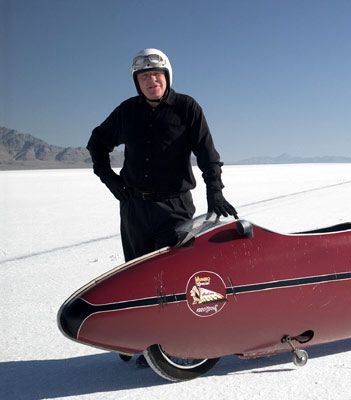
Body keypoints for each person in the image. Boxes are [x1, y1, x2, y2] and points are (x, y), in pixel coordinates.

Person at [87, 48, 237, 366]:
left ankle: (175, 346)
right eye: (144, 76)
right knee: (138, 278)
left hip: (175, 208)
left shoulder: (186, 108)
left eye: (156, 74)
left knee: (171, 279)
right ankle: (140, 342)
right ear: (136, 82)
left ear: (167, 77)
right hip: (135, 210)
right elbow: (97, 142)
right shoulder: (127, 112)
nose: (151, 80)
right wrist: (111, 180)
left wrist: (215, 192)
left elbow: (208, 154)